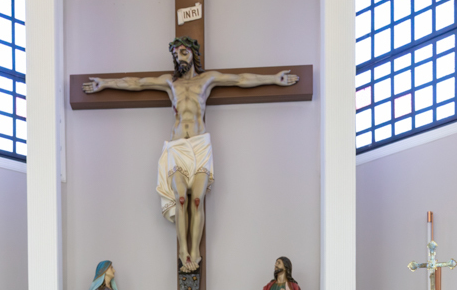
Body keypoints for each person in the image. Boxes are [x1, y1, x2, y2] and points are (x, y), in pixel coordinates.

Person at [83, 40, 297, 273]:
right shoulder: (170, 82)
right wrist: (105, 83)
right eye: (176, 55)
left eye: (183, 53)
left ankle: (195, 251)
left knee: (196, 200)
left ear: (193, 53)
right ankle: (183, 251)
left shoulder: (207, 80)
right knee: (181, 199)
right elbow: (137, 83)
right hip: (177, 147)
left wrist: (274, 79)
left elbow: (240, 79)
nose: (179, 58)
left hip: (200, 146)